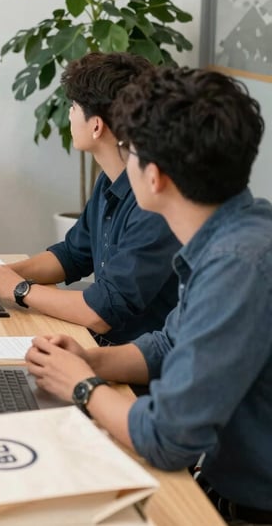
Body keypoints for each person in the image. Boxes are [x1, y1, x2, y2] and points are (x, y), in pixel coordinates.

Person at [25, 67, 272, 524]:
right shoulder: (238, 231)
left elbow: (166, 437)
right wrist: (89, 359)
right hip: (221, 486)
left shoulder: (238, 264)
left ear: (153, 177)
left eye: (129, 151)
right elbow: (168, 343)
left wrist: (82, 386)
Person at [0, 52, 180, 346]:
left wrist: (19, 289)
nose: (70, 115)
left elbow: (103, 312)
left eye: (73, 107)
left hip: (135, 366)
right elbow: (73, 256)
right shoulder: (109, 179)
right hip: (101, 347)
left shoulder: (152, 203)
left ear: (96, 126)